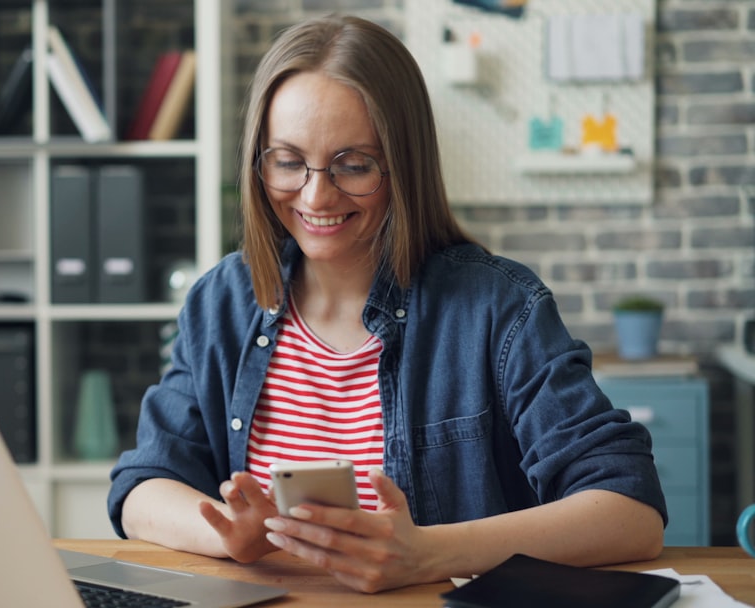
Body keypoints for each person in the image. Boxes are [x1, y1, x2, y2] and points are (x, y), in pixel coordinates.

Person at [108, 14, 666, 593]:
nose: (316, 195)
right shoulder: (220, 302)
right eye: (288, 160)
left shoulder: (497, 308)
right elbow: (142, 487)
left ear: (404, 165)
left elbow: (630, 511)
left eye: (354, 165)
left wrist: (428, 554)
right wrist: (227, 535)